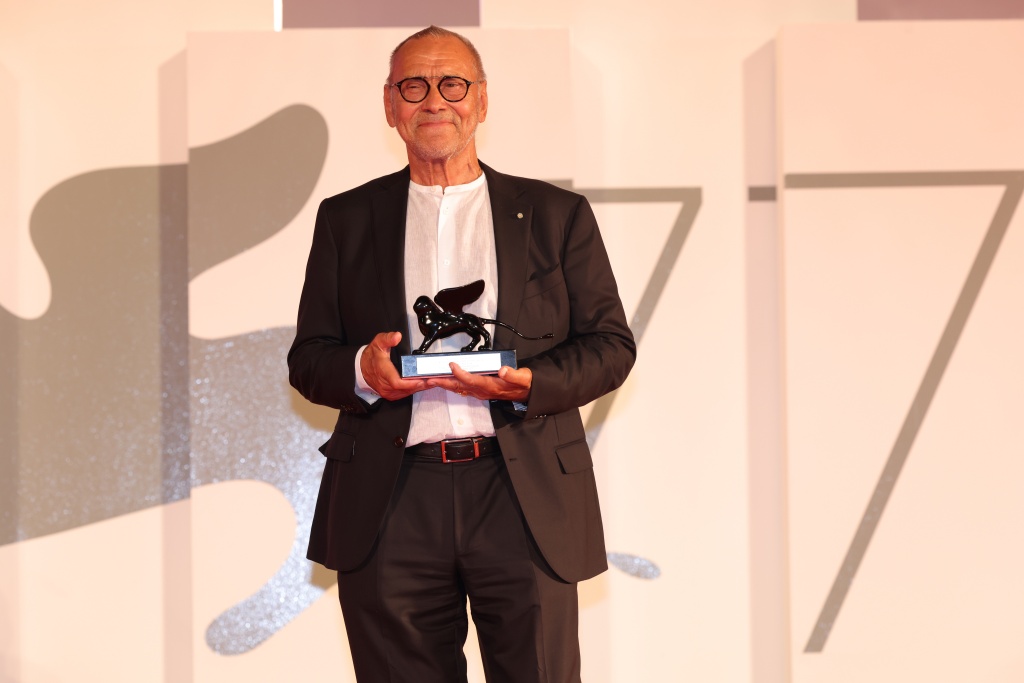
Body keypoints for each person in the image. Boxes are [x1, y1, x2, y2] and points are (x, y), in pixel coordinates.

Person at [287, 25, 635, 683]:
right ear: (390, 105)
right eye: (413, 86)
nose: (434, 101)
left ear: (481, 100)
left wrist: (530, 383)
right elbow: (308, 358)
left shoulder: (556, 214)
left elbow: (611, 346)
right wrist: (362, 370)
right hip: (391, 498)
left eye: (452, 84)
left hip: (523, 490)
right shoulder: (346, 219)